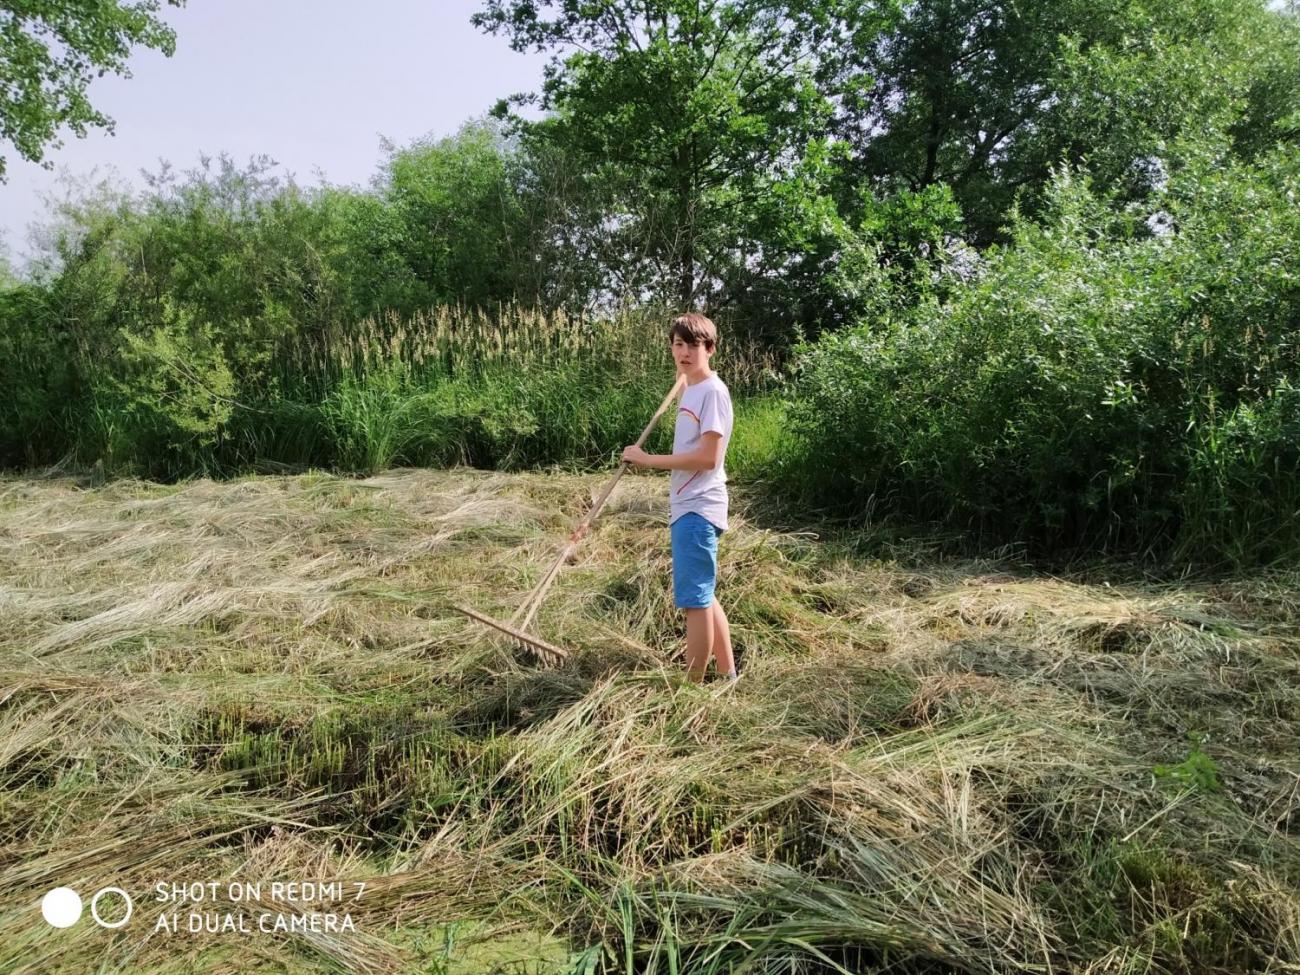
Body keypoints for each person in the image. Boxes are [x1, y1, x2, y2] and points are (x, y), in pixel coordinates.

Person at [623, 313, 736, 683]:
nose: (684, 352)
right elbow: (688, 382)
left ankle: (692, 686)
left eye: (693, 345)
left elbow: (707, 458)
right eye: (678, 344)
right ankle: (727, 673)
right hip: (688, 505)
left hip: (698, 507)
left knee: (693, 602)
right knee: (704, 594)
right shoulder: (694, 386)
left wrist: (647, 460)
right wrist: (684, 378)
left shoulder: (713, 392)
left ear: (711, 349)